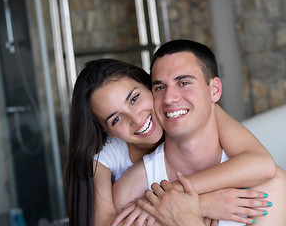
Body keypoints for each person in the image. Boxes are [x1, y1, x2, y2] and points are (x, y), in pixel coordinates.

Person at [66, 58, 275, 226]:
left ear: (150, 87)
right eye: (116, 119)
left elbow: (260, 163)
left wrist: (175, 193)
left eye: (134, 98)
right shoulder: (105, 161)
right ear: (106, 131)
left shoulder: (186, 110)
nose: (137, 119)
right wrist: (201, 205)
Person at [112, 40, 286, 225]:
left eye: (184, 82)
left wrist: (188, 217)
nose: (169, 98)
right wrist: (199, 204)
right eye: (160, 87)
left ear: (215, 90)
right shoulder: (130, 193)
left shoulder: (264, 187)